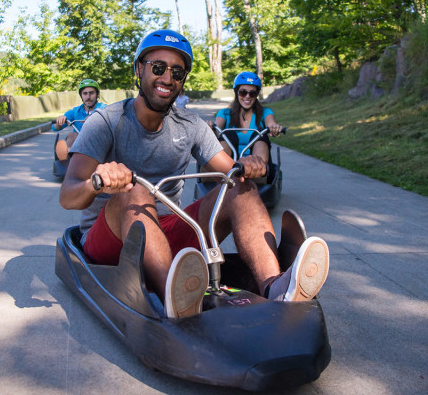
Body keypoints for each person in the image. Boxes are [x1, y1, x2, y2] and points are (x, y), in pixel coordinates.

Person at [59, 29, 329, 319]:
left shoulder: (190, 125)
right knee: (135, 191)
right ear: (139, 69)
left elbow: (229, 171)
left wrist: (249, 166)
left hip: (166, 238)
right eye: (158, 68)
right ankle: (173, 297)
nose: (167, 78)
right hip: (109, 243)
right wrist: (97, 182)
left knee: (240, 187)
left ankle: (276, 287)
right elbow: (68, 196)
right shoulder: (105, 122)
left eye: (177, 72)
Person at [213, 72, 283, 164]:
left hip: (256, 163)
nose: (247, 96)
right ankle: (225, 170)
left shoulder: (265, 112)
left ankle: (255, 170)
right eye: (243, 92)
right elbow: (216, 126)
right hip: (229, 163)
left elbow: (270, 122)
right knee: (227, 135)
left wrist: (274, 127)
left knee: (260, 135)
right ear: (236, 92)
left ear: (256, 95)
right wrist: (211, 127)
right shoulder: (224, 113)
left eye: (252, 93)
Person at [52, 78, 106, 162]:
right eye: (85, 93)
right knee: (71, 135)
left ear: (97, 95)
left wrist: (96, 119)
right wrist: (60, 120)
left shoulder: (104, 108)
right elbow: (55, 128)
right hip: (78, 143)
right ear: (81, 95)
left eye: (91, 93)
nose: (88, 97)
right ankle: (67, 156)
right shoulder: (75, 111)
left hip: (97, 141)